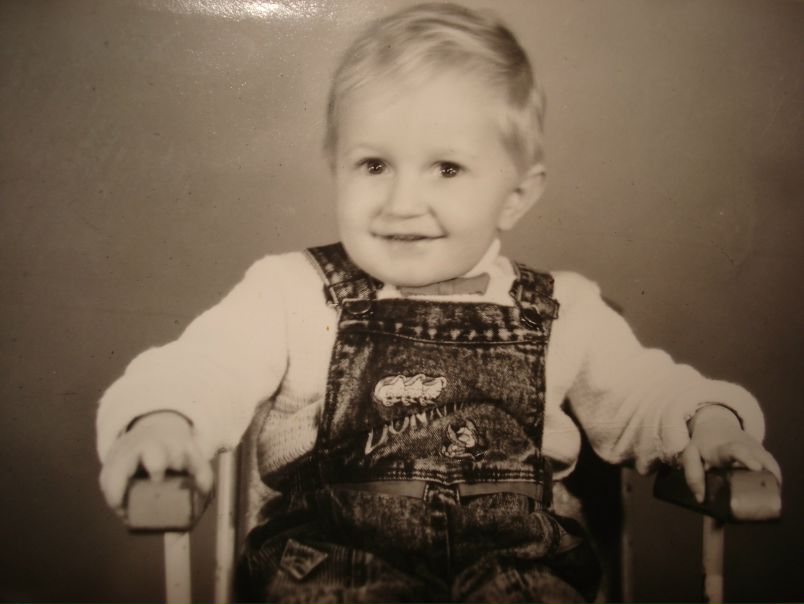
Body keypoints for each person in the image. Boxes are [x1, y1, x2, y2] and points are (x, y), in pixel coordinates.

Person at [96, 3, 781, 602]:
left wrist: (709, 422)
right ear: (336, 167)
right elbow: (206, 365)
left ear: (515, 195)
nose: (402, 202)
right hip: (331, 565)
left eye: (446, 168)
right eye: (374, 165)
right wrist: (164, 417)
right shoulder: (290, 291)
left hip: (515, 567)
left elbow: (644, 396)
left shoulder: (563, 310)